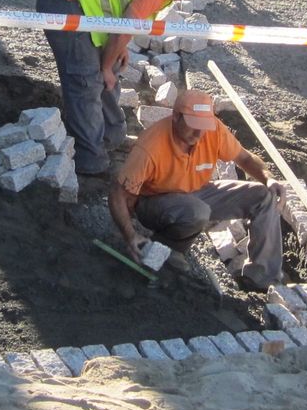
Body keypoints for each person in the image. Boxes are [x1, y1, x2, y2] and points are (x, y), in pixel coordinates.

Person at [36, 0, 210, 175]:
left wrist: (116, 55)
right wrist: (105, 67)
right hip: (62, 0)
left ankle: (111, 136)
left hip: (85, 6)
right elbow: (123, 29)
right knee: (85, 80)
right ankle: (90, 160)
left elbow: (125, 25)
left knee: (114, 62)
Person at [108, 89, 287, 291]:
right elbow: (117, 193)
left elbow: (245, 158)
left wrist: (268, 178)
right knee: (197, 211)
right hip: (155, 201)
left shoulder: (214, 131)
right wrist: (130, 235)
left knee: (263, 196)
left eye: (204, 126)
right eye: (193, 126)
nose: (199, 134)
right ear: (176, 117)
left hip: (198, 191)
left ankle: (262, 279)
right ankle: (168, 248)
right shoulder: (150, 146)